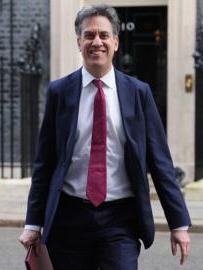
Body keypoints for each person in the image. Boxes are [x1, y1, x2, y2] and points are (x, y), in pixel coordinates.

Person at [19, 4, 191, 269]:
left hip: (120, 218)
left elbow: (160, 161)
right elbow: (45, 163)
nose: (96, 42)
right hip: (69, 217)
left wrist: (178, 223)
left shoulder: (138, 93)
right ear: (79, 42)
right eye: (89, 35)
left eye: (103, 35)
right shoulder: (59, 92)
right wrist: (33, 223)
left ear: (116, 42)